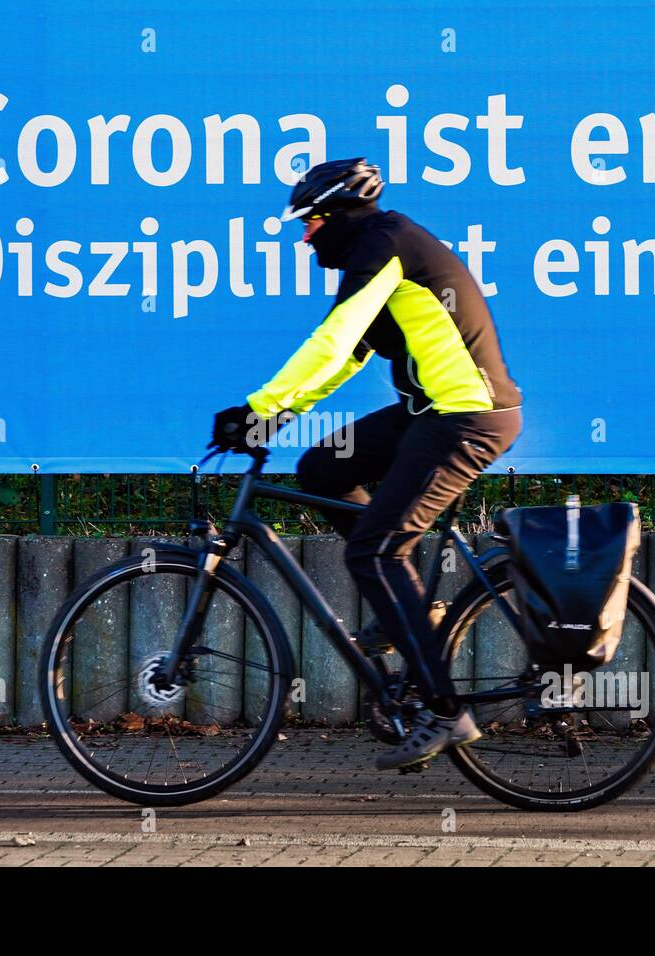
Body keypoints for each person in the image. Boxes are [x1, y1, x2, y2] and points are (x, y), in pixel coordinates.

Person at [210, 158, 523, 770]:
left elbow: (331, 338)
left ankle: (443, 710)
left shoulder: (386, 244)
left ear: (342, 214)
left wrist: (256, 407)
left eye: (312, 222)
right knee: (323, 469)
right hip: (431, 412)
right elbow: (351, 354)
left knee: (375, 551)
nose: (304, 238)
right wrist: (273, 418)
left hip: (466, 417)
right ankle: (409, 607)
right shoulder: (378, 250)